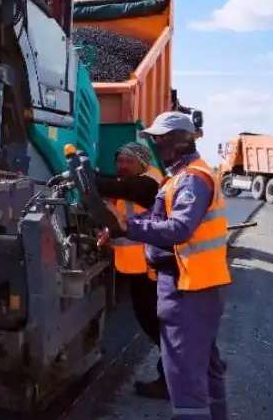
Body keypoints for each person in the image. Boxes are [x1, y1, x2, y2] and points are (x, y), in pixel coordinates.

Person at [111, 111, 231, 420]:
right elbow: (157, 220)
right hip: (196, 284)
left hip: (188, 286)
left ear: (177, 141)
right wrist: (123, 226)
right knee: (205, 367)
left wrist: (128, 228)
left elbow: (178, 229)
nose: (155, 146)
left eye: (159, 140)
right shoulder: (180, 176)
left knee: (185, 374)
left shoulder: (192, 178)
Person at [97, 142, 167, 399]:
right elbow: (122, 219)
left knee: (158, 324)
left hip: (152, 267)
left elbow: (123, 189)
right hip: (138, 265)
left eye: (128, 161)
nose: (122, 166)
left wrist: (84, 177)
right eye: (119, 160)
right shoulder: (131, 183)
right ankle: (176, 376)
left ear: (142, 162)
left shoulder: (149, 183)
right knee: (150, 320)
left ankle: (174, 379)